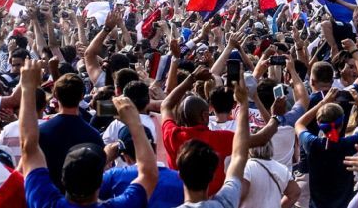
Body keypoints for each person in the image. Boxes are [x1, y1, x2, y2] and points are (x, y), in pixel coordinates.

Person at [20, 59, 158, 208]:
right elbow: (148, 173)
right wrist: (135, 124)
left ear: (64, 179)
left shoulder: (46, 202)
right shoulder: (92, 134)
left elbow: (29, 147)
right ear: (102, 180)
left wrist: (27, 88)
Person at [176, 73, 253, 208]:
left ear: (180, 174)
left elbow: (166, 107)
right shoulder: (226, 203)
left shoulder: (206, 126)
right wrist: (244, 103)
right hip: (228, 185)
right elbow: (240, 152)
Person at [38, 73, 104, 194]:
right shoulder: (93, 135)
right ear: (82, 96)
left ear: (55, 95)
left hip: (48, 199)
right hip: (82, 201)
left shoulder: (41, 132)